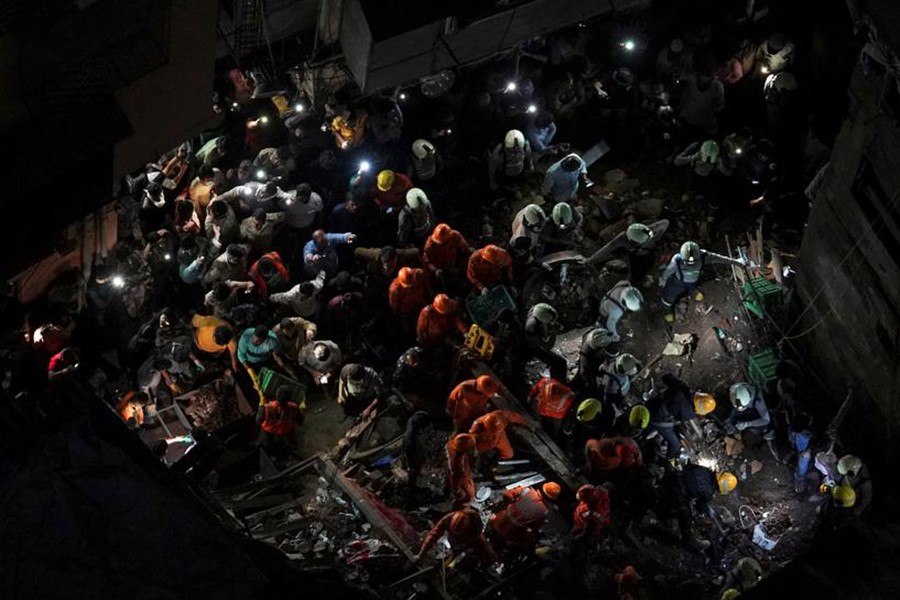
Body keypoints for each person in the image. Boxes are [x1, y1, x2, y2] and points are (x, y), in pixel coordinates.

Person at [659, 241, 746, 323]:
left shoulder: (703, 256)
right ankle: (667, 310)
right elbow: (669, 270)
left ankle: (697, 306)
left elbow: (720, 258)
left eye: (694, 262)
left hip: (692, 283)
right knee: (668, 298)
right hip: (678, 283)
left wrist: (736, 262)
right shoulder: (677, 260)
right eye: (687, 262)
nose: (690, 264)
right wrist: (663, 279)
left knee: (699, 296)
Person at [584, 221, 670, 284]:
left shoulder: (646, 230)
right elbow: (606, 249)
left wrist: (657, 237)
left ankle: (645, 274)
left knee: (648, 265)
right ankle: (638, 280)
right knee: (637, 273)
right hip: (637, 257)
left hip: (648, 253)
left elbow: (665, 222)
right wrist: (590, 260)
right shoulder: (622, 238)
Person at [647, 373, 705, 460]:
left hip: (651, 404)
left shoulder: (683, 387)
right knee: (675, 444)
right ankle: (669, 460)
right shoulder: (688, 412)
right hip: (657, 418)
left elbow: (666, 377)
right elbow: (686, 424)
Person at [489, 482, 559, 551]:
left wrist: (508, 505)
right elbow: (534, 527)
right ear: (551, 498)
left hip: (498, 521)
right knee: (530, 539)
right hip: (510, 533)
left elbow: (507, 494)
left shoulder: (526, 490)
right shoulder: (544, 511)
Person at [417, 508, 496, 564]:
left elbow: (474, 537)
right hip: (456, 537)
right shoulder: (447, 519)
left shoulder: (475, 526)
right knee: (454, 548)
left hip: (470, 536)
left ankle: (493, 562)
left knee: (485, 548)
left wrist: (463, 545)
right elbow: (433, 535)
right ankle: (448, 563)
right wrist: (421, 553)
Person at [724, 382, 778, 459]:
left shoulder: (759, 401)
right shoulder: (737, 390)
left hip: (765, 418)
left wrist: (747, 424)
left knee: (766, 431)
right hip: (750, 408)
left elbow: (766, 420)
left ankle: (772, 446)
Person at [524, 303, 568, 381]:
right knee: (560, 363)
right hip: (534, 349)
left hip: (537, 344)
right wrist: (554, 332)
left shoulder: (536, 312)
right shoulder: (531, 327)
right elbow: (547, 346)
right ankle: (558, 383)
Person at [597, 280, 643, 348]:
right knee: (612, 330)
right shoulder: (616, 310)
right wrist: (616, 337)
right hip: (604, 312)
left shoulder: (624, 284)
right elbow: (610, 325)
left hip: (608, 298)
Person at [446, 433, 478, 506]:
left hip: (458, 474)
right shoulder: (459, 460)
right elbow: (457, 475)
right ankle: (462, 505)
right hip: (462, 478)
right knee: (469, 495)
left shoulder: (452, 445)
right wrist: (458, 490)